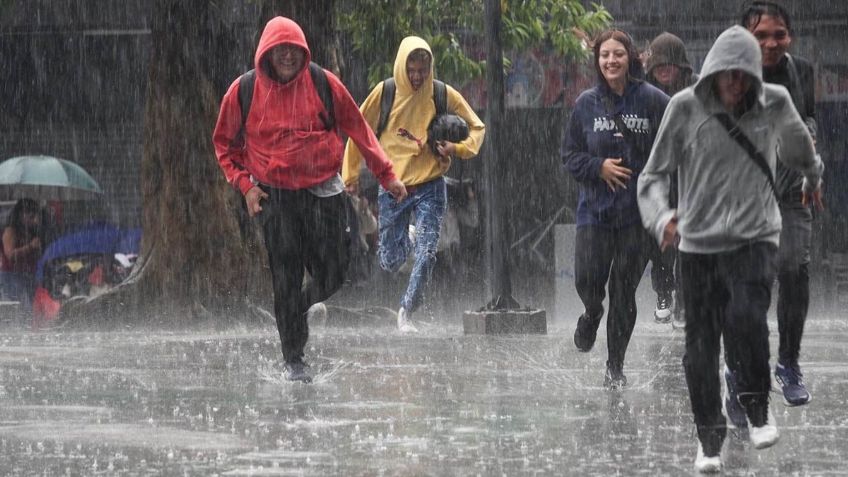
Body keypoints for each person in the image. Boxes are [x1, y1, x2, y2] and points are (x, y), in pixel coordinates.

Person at [637, 25, 823, 472]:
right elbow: (652, 177)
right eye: (727, 74)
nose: (735, 83)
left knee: (746, 319)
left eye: (744, 74)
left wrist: (813, 178)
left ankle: (758, 407)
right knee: (700, 345)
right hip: (698, 244)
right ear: (713, 72)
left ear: (755, 75)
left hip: (755, 236)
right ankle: (708, 436)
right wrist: (662, 218)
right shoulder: (684, 107)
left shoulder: (774, 102)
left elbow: (801, 150)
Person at [212, 16, 407, 383]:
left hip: (323, 193)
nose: (287, 56)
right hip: (276, 198)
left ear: (303, 51)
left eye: (293, 50)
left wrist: (387, 175)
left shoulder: (323, 82)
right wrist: (246, 187)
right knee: (284, 279)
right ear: (266, 53)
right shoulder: (244, 91)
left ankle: (298, 308)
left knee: (335, 271)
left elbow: (359, 130)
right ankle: (294, 359)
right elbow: (224, 144)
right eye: (279, 50)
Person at [342, 36, 485, 333]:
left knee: (428, 252)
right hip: (393, 186)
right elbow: (359, 129)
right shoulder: (385, 93)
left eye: (423, 69)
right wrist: (351, 175)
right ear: (401, 66)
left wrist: (455, 149)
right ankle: (407, 236)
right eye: (412, 70)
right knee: (391, 260)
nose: (418, 76)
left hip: (432, 186)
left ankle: (407, 310)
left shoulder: (441, 92)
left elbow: (477, 127)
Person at [721, 2, 819, 424]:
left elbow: (809, 118)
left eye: (778, 34)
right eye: (760, 36)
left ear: (790, 36)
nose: (771, 43)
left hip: (790, 194)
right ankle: (739, 376)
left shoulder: (801, 73)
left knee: (795, 269)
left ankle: (788, 363)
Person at [562, 29, 669, 388]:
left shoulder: (654, 101)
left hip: (637, 218)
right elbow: (570, 155)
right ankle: (592, 313)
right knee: (587, 280)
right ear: (597, 60)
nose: (611, 60)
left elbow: (674, 150)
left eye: (618, 54)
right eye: (605, 55)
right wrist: (598, 167)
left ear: (630, 58)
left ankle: (615, 366)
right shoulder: (585, 104)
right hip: (595, 213)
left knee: (624, 292)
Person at [644, 32, 699, 328]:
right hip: (658, 173)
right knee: (662, 240)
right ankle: (664, 292)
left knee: (689, 240)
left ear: (681, 65)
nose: (664, 70)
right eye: (658, 65)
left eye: (669, 64)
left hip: (691, 173)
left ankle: (686, 304)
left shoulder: (698, 88)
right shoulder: (644, 91)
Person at [0, 198, 45, 310]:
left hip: (28, 276)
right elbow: (10, 255)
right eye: (31, 216)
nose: (34, 220)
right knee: (20, 310)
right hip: (12, 277)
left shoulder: (29, 232)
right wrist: (30, 247)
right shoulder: (10, 231)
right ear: (21, 215)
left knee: (31, 309)